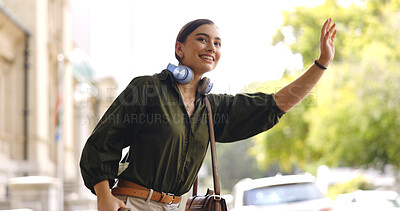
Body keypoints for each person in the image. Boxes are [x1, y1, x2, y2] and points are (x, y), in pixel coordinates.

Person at [80, 18, 337, 211]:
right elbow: (102, 143)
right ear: (179, 49)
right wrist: (104, 194)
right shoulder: (147, 88)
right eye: (202, 39)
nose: (211, 47)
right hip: (133, 203)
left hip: (175, 207)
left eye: (217, 43)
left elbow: (274, 104)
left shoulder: (212, 108)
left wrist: (322, 63)